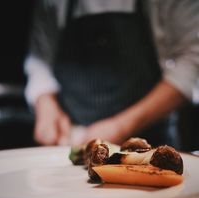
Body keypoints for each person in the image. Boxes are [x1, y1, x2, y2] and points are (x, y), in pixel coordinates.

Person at [24, 0, 199, 147]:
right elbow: (39, 61)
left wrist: (121, 126)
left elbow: (192, 62)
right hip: (72, 142)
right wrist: (46, 105)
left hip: (151, 144)